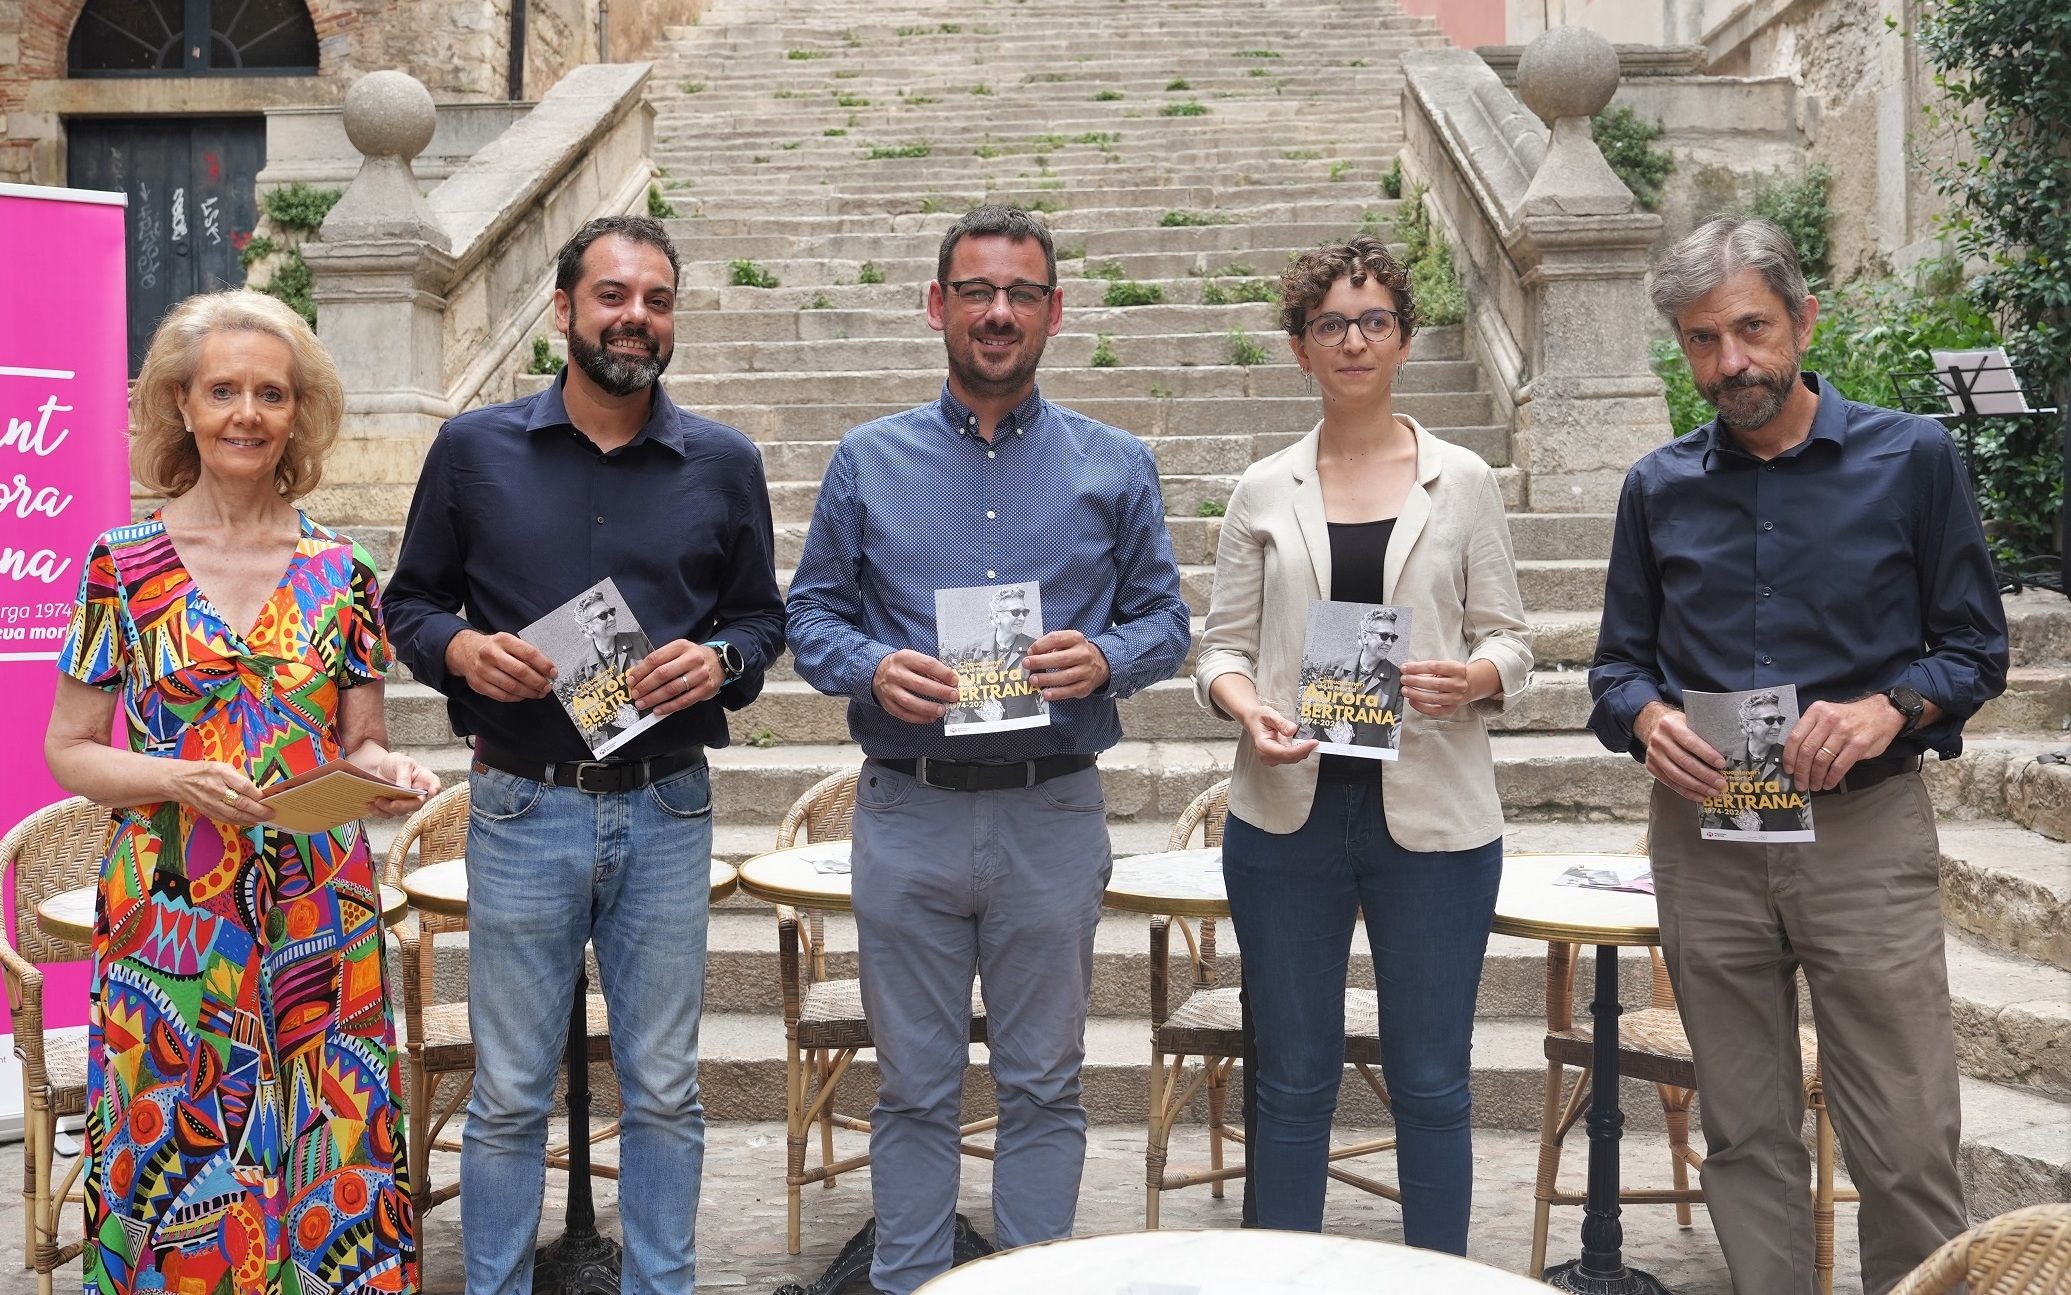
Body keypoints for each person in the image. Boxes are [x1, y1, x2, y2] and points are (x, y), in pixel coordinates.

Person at [1588, 217, 2009, 1295]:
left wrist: (1889, 707)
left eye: (1750, 329)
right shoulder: (1656, 486)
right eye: (1700, 340)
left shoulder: (1909, 456)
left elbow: (1973, 647)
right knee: (1743, 1133)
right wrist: (1645, 720)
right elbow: (1615, 670)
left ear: (1802, 318)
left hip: (1861, 833)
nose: (1730, 362)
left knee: (1908, 1139)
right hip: (1706, 838)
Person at [787, 204, 1191, 1294]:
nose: (998, 312)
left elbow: (1167, 621)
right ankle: (905, 1282)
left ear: (1054, 312)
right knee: (913, 1086)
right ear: (938, 306)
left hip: (1050, 810)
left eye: (1019, 293)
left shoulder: (1117, 463)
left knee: (1044, 1082)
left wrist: (1107, 658)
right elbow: (811, 615)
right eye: (976, 291)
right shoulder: (867, 459)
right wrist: (873, 666)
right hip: (908, 808)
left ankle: (1028, 1281)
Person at [383, 214, 785, 1295]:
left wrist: (720, 663)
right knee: (510, 1088)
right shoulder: (473, 451)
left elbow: (761, 622)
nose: (634, 317)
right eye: (612, 296)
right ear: (563, 311)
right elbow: (409, 603)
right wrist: (461, 648)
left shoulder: (724, 462)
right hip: (522, 804)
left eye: (655, 300)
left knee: (663, 1086)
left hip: (666, 807)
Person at [43, 288, 439, 1295]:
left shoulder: (343, 569)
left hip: (320, 904)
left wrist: (388, 775)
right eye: (224, 390)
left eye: (271, 393)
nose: (247, 413)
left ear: (298, 414)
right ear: (181, 403)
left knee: (323, 1138)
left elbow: (363, 741)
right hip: (168, 909)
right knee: (172, 1141)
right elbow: (71, 749)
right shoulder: (118, 567)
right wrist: (175, 775)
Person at [1193, 235, 1532, 1253]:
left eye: (1373, 319)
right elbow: (1218, 647)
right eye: (1330, 323)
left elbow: (1513, 639)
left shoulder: (1461, 480)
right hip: (1285, 812)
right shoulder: (1263, 488)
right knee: (1291, 1079)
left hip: (1432, 816)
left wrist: (1472, 677)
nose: (1353, 340)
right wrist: (1245, 706)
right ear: (1299, 348)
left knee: (1431, 1078)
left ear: (1403, 338)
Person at [1699, 689, 1810, 835]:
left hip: (1788, 843)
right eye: (1769, 720)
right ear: (1747, 725)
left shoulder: (1791, 755)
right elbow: (1708, 805)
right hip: (1734, 845)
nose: (1777, 726)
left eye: (1780, 720)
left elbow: (1805, 801)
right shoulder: (1722, 759)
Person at [1293, 606, 1406, 747]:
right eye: (1384, 636)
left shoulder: (1397, 678)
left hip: (1370, 758)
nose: (1389, 643)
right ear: (1365, 637)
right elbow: (1309, 708)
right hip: (1329, 753)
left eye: (1393, 638)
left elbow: (1398, 723)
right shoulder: (1332, 667)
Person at [554, 588, 653, 745]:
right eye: (603, 616)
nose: (612, 618)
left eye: (611, 611)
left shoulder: (641, 640)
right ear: (587, 628)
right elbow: (584, 721)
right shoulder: (579, 671)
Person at [947, 586, 1045, 724]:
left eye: (1025, 612)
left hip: (1025, 732)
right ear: (996, 616)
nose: (1022, 618)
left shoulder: (1035, 647)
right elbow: (957, 694)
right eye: (1015, 612)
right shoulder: (972, 649)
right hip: (979, 730)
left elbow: (1045, 697)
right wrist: (980, 704)